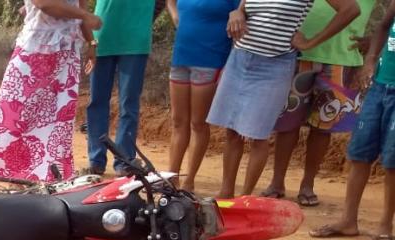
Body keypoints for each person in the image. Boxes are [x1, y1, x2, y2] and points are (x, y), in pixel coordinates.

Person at [206, 0, 359, 199]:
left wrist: (310, 43)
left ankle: (245, 199)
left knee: (258, 136)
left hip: (275, 65)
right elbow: (244, 7)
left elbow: (351, 9)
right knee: (232, 131)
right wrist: (236, 12)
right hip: (240, 58)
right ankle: (225, 194)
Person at [260, 0, 375, 206]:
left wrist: (377, 40)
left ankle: (308, 184)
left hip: (342, 58)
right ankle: (277, 182)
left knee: (323, 127)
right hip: (297, 53)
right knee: (287, 122)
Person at [0, 0, 101, 181]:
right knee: (16, 114)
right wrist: (85, 16)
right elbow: (46, 4)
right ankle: (9, 173)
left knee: (59, 120)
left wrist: (92, 43)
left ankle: (50, 175)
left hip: (66, 53)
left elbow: (81, 10)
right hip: (35, 52)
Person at [310, 2, 395, 240]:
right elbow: (383, 25)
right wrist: (370, 60)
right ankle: (348, 220)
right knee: (359, 152)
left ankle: (385, 226)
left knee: (392, 162)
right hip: (380, 84)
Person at [166, 0, 240, 191]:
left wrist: (229, 64)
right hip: (181, 56)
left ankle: (189, 181)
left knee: (198, 123)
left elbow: (239, 23)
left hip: (211, 58)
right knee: (177, 120)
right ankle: (171, 178)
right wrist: (175, 16)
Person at [83, 0, 157, 176]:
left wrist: (143, 19)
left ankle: (124, 161)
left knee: (129, 103)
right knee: (96, 101)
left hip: (135, 38)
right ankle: (96, 161)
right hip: (103, 35)